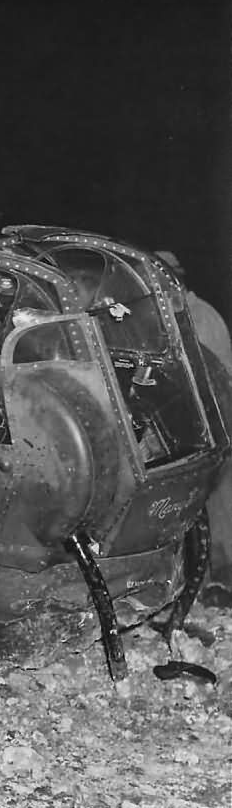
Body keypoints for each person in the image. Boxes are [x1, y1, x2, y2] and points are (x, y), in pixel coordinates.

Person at [157, 251, 232, 592]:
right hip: (213, 424)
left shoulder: (199, 318)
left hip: (214, 425)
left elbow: (205, 380)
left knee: (215, 505)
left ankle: (217, 578)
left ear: (175, 280)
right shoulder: (193, 313)